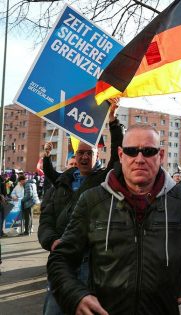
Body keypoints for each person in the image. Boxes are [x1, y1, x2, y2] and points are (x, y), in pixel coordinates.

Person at [47, 124, 181, 315]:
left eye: (148, 151)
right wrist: (76, 296)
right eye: (132, 151)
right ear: (121, 154)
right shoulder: (93, 201)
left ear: (161, 155)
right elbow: (60, 258)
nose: (139, 159)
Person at [38, 100, 122, 315]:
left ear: (96, 156)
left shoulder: (104, 180)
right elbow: (47, 218)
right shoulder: (62, 181)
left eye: (89, 153)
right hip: (61, 256)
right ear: (74, 156)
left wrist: (113, 120)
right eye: (80, 153)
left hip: (89, 258)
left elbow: (118, 157)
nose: (84, 157)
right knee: (54, 308)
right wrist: (51, 240)